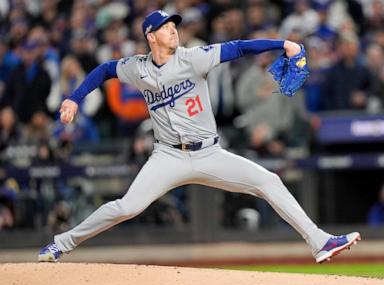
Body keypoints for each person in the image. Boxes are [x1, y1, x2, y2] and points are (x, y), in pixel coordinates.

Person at [38, 10, 361, 264]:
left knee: (269, 182)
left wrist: (283, 44)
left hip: (209, 154)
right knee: (127, 207)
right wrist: (74, 98)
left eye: (174, 25)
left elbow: (238, 48)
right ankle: (61, 243)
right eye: (165, 27)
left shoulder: (194, 57)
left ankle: (319, 242)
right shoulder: (137, 68)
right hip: (168, 156)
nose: (173, 29)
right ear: (151, 36)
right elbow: (104, 70)